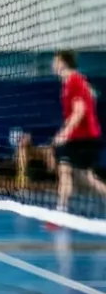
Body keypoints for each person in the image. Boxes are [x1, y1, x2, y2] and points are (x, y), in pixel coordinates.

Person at [51, 50, 106, 220]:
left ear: (62, 62)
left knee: (85, 177)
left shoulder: (75, 80)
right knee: (66, 170)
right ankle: (61, 209)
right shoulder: (69, 83)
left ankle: (61, 208)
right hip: (75, 137)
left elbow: (79, 111)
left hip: (85, 138)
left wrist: (64, 133)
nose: (52, 65)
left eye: (55, 61)